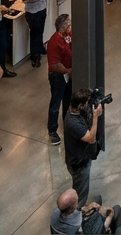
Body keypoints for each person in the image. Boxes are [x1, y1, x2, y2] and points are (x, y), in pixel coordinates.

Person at [63, 88, 103, 206]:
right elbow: (91, 138)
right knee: (79, 197)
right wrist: (95, 117)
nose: (88, 105)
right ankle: (77, 216)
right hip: (79, 164)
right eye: (86, 103)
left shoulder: (74, 112)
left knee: (79, 189)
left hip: (80, 159)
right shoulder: (73, 123)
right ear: (80, 105)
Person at [47, 13, 73, 145]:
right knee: (56, 103)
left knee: (68, 102)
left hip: (68, 75)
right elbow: (54, 64)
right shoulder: (54, 42)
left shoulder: (68, 36)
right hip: (58, 76)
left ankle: (67, 125)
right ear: (61, 26)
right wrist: (68, 71)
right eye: (67, 24)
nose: (70, 26)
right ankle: (52, 131)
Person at [50, 188, 121, 235]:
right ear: (72, 207)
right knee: (117, 209)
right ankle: (116, 232)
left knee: (98, 199)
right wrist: (110, 215)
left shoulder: (54, 216)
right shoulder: (81, 226)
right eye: (76, 201)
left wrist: (87, 208)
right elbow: (103, 227)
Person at [23, 0, 52, 67]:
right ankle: (35, 56)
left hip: (42, 8)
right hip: (33, 12)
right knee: (35, 34)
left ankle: (40, 48)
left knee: (40, 31)